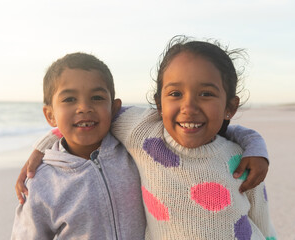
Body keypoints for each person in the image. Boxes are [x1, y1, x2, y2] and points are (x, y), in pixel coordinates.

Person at [108, 36, 277, 239]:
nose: (189, 107)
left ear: (230, 107)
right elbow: (92, 118)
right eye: (175, 93)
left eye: (206, 94)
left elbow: (263, 224)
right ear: (159, 104)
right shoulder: (141, 131)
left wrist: (255, 147)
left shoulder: (242, 160)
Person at [11, 53, 146, 239]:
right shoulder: (41, 182)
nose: (84, 107)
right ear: (50, 115)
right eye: (69, 99)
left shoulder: (135, 154)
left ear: (114, 109)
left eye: (97, 97)